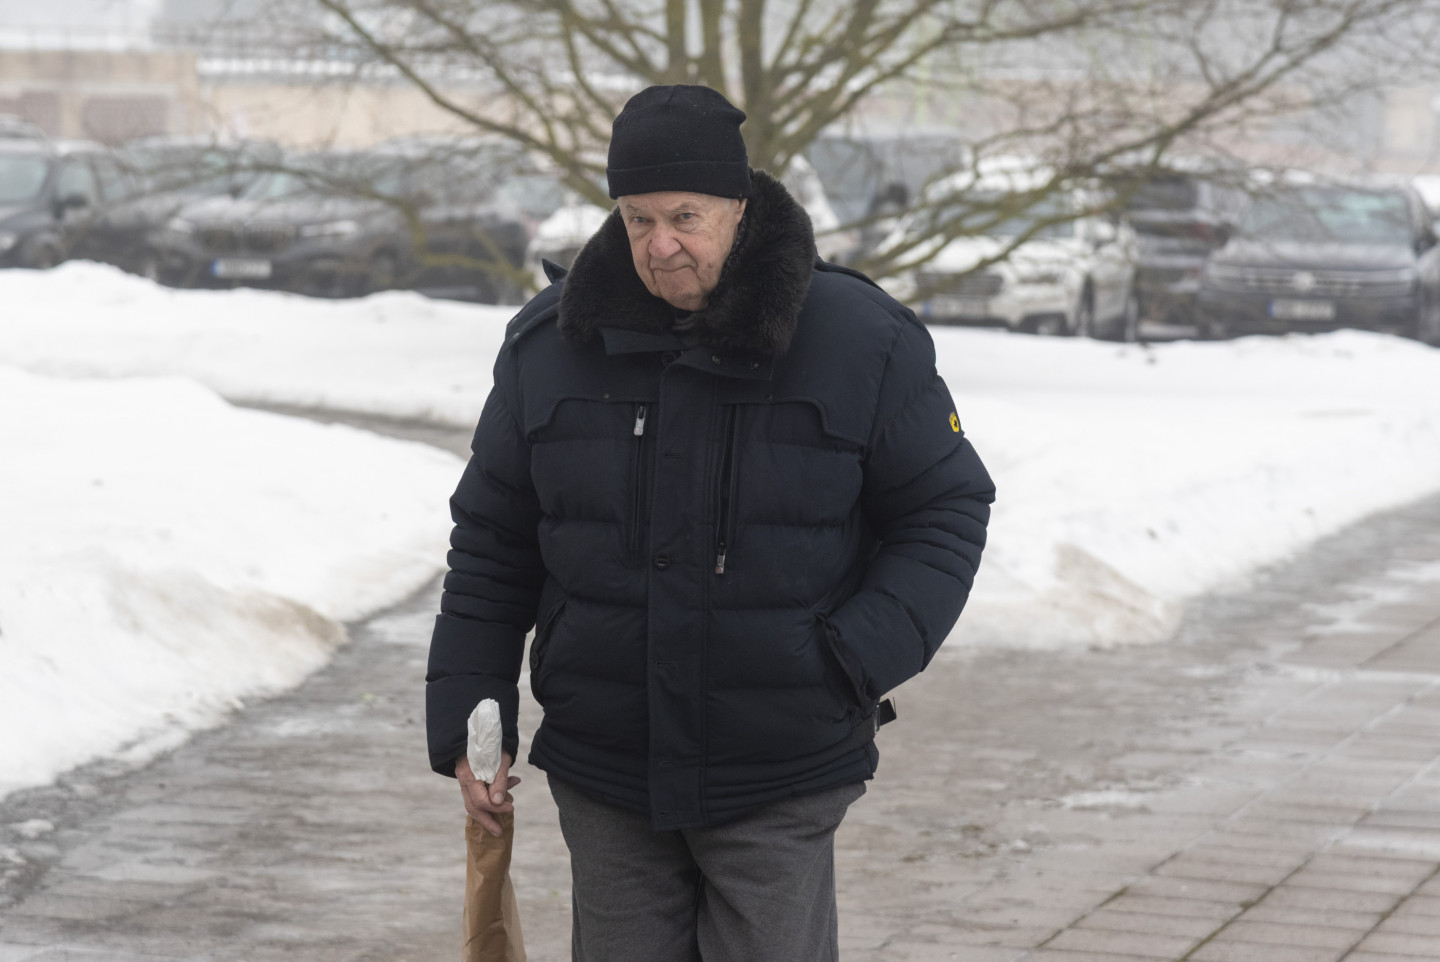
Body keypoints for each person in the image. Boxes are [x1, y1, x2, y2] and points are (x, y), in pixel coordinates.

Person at [426, 84, 995, 961]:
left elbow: (943, 509)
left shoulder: (861, 339)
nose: (661, 245)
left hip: (779, 764)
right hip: (605, 762)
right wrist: (474, 715)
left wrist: (846, 662)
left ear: (738, 205)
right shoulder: (550, 345)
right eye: (638, 218)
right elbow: (492, 543)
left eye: (685, 217)